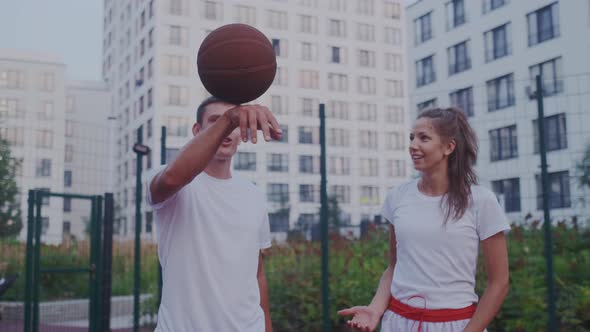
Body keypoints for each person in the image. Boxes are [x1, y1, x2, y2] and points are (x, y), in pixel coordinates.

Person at [338, 107, 510, 332]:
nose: (412, 145)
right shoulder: (397, 197)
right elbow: (395, 265)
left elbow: (500, 282)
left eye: (423, 138)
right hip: (398, 324)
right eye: (412, 137)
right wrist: (375, 309)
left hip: (457, 326)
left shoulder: (481, 201)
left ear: (449, 147)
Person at [147, 96, 282, 332]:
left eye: (233, 124)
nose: (227, 129)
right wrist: (230, 118)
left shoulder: (254, 195)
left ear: (241, 133)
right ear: (197, 130)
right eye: (215, 121)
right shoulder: (171, 181)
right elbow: (171, 178)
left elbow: (257, 273)